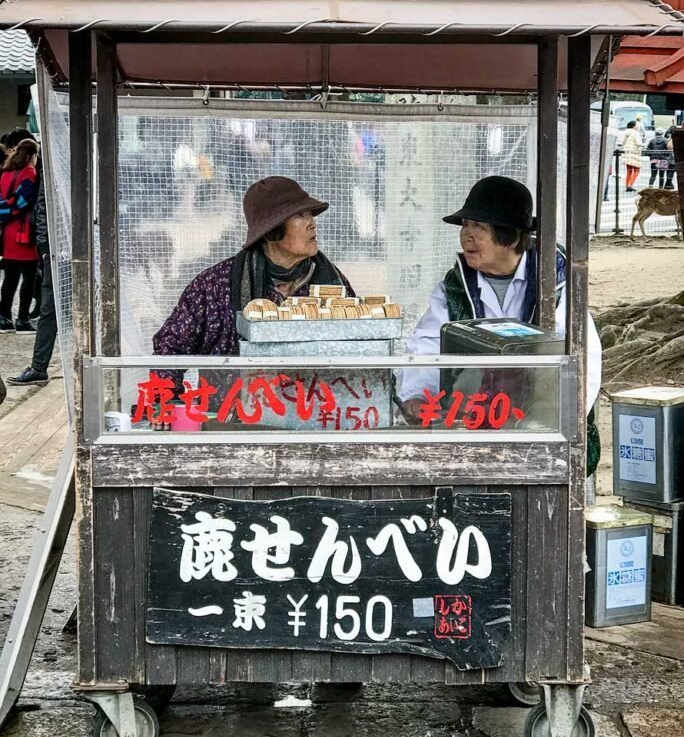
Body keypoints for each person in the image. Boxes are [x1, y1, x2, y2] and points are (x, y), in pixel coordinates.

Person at [398, 176, 602, 474]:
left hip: (542, 418)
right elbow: (429, 343)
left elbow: (584, 359)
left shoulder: (554, 282)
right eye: (465, 225)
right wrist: (416, 394)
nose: (466, 236)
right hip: (477, 416)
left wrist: (559, 426)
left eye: (479, 227)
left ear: (510, 236)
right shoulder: (456, 287)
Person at [154, 176, 354, 360]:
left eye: (310, 214)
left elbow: (360, 341)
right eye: (299, 215)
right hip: (238, 397)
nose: (312, 223)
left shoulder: (331, 281)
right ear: (271, 230)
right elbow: (169, 348)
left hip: (316, 396)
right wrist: (173, 399)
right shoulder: (214, 286)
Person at [7, 180, 58, 385]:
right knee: (49, 310)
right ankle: (39, 366)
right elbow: (42, 209)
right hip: (57, 250)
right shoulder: (52, 167)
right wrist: (45, 247)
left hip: (89, 245)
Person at [0, 137, 40, 332]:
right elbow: (23, 201)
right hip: (25, 232)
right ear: (32, 155)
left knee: (9, 278)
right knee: (29, 277)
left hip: (7, 232)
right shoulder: (29, 173)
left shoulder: (5, 173)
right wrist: (12, 208)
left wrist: (4, 210)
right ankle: (23, 319)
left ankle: (4, 316)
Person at [621, 120, 642, 192]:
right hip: (634, 153)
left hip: (627, 153)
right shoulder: (635, 133)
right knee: (637, 170)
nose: (638, 126)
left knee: (629, 170)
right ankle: (630, 185)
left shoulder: (626, 132)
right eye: (637, 125)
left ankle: (627, 185)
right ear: (634, 126)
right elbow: (639, 143)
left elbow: (622, 143)